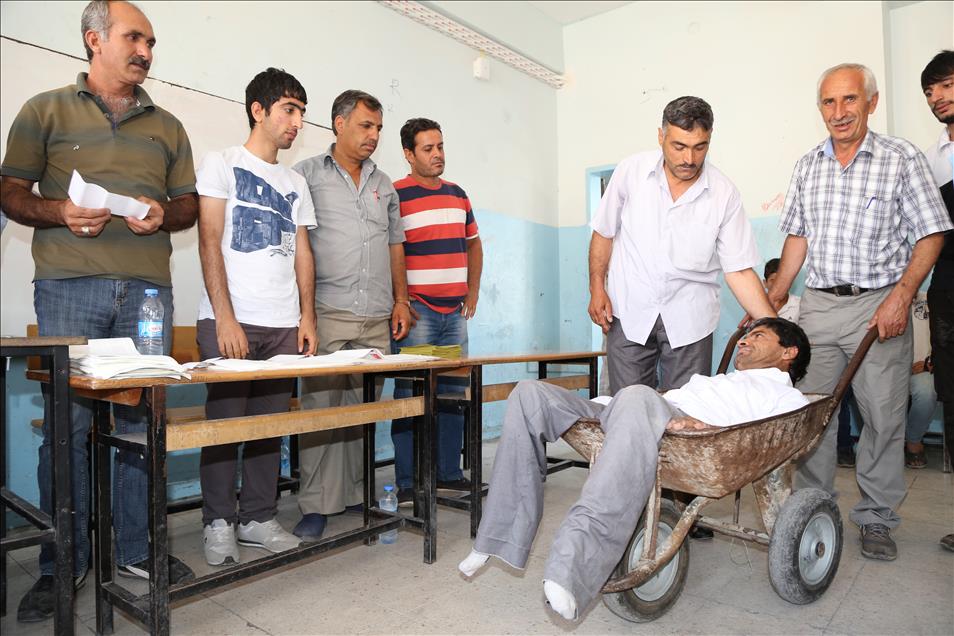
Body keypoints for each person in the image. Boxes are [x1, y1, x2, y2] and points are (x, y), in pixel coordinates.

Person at [0, 0, 199, 621]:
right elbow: (10, 192)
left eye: (151, 42)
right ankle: (63, 561)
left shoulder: (168, 126)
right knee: (67, 430)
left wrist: (164, 214)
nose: (146, 51)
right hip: (69, 288)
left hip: (147, 295)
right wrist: (59, 211)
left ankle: (138, 550)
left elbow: (189, 205)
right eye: (134, 37)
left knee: (140, 426)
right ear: (94, 39)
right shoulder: (44, 110)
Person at [458, 318, 810, 621]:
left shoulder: (785, 396)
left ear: (788, 352)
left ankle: (572, 567)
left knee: (637, 394)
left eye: (758, 335)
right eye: (745, 336)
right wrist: (666, 410)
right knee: (529, 394)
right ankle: (498, 537)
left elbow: (767, 438)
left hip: (691, 429)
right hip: (644, 412)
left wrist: (701, 422)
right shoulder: (720, 380)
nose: (744, 341)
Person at [768, 63, 952, 561]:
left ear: (871, 102)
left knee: (883, 416)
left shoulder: (901, 158)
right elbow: (798, 238)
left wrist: (901, 296)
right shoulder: (808, 165)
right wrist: (776, 296)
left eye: (849, 99)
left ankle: (876, 517)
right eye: (829, 102)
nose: (839, 111)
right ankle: (814, 507)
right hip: (819, 305)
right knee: (812, 413)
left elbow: (931, 233)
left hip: (878, 304)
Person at [195, 68, 317, 565]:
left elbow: (303, 253)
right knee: (224, 429)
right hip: (231, 320)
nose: (297, 122)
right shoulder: (221, 162)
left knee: (268, 429)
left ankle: (258, 519)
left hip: (283, 324)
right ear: (258, 110)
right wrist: (225, 317)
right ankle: (218, 522)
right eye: (289, 110)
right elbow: (209, 242)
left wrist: (307, 316)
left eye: (301, 113)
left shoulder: (295, 181)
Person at [588, 96, 776, 397]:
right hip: (630, 311)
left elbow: (739, 270)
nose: (689, 158)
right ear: (661, 136)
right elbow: (604, 233)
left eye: (700, 147)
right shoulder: (631, 172)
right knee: (628, 406)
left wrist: (776, 330)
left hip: (691, 321)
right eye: (679, 146)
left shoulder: (724, 193)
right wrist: (597, 287)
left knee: (687, 410)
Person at [290, 90, 411, 540]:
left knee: (361, 411)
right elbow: (298, 245)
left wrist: (402, 300)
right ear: (339, 124)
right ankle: (316, 504)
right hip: (328, 311)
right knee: (321, 413)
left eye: (378, 128)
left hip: (376, 315)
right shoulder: (306, 176)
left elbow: (394, 245)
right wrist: (304, 313)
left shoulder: (385, 184)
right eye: (365, 125)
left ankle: (356, 494)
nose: (373, 135)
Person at [389, 118, 483, 504]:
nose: (437, 154)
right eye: (428, 149)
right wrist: (400, 301)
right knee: (410, 397)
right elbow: (390, 251)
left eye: (440, 146)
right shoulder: (396, 195)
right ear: (408, 154)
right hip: (418, 316)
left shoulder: (458, 195)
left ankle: (448, 475)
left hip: (453, 317)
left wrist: (472, 290)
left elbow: (474, 244)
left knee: (453, 397)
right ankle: (408, 482)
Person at [920, 49, 954, 552]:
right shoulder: (932, 159)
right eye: (930, 91)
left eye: (946, 85)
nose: (938, 97)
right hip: (947, 293)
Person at [904, 293, 938, 469]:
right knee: (869, 389)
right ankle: (884, 444)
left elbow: (946, 334)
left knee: (927, 392)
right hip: (889, 369)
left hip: (922, 368)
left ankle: (913, 441)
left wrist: (931, 362)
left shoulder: (930, 298)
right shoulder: (878, 298)